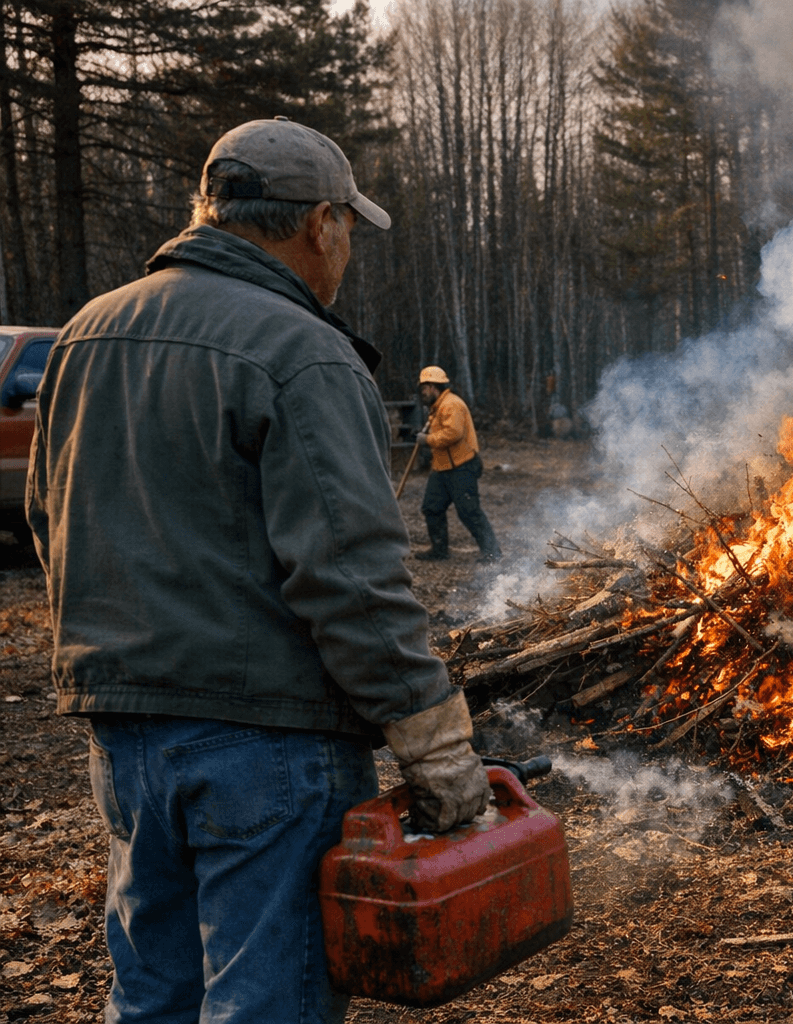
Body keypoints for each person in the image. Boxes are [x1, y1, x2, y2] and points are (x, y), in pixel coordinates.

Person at [26, 117, 492, 1024]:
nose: (347, 248)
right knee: (266, 999)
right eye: (349, 226)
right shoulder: (301, 351)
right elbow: (353, 581)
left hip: (123, 739)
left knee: (153, 994)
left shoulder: (86, 334)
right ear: (318, 223)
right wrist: (436, 748)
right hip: (267, 744)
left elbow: (53, 520)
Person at [414, 365, 502, 563]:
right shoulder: (437, 407)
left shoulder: (451, 404)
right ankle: (439, 550)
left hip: (462, 466)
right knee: (432, 508)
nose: (423, 392)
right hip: (442, 468)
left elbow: (453, 433)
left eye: (424, 388)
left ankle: (492, 553)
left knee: (469, 512)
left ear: (433, 386)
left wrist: (427, 440)